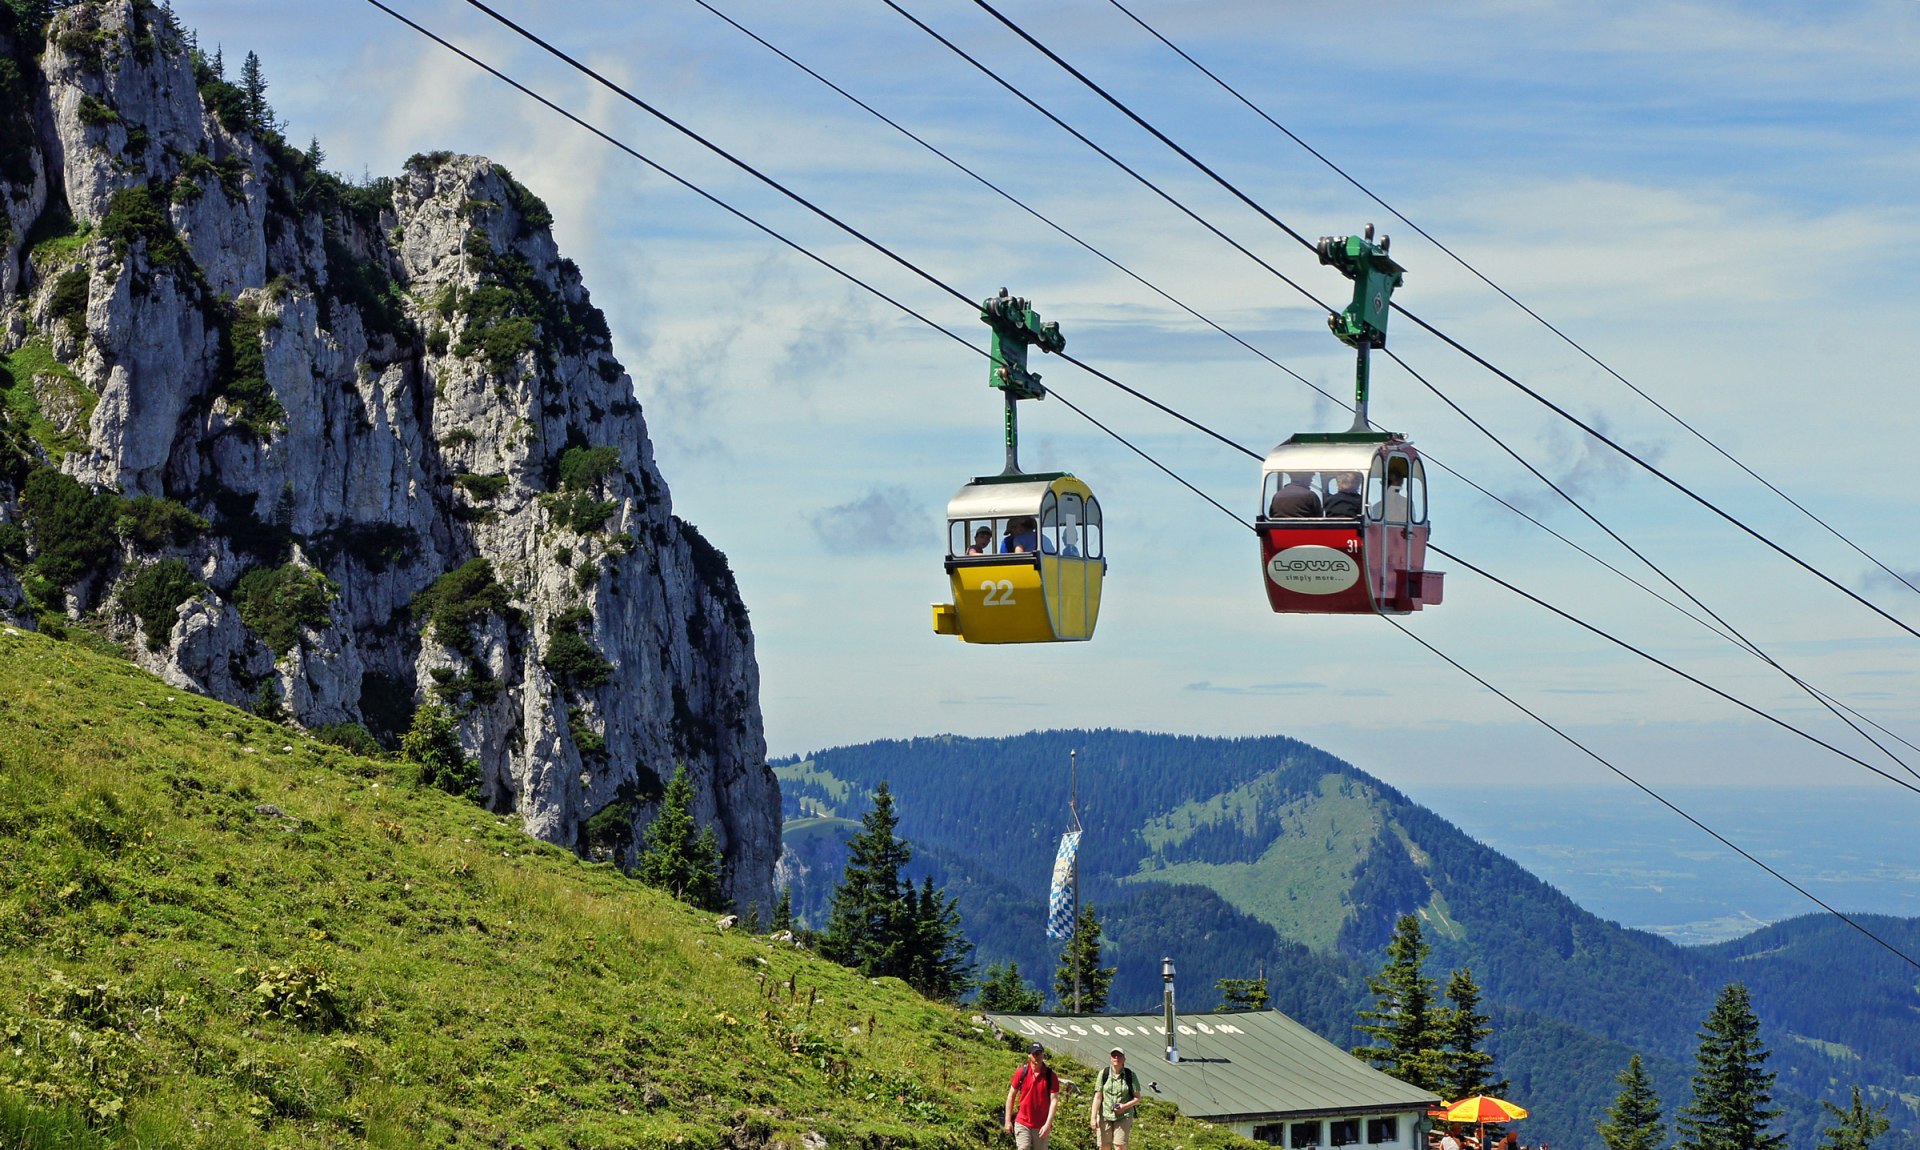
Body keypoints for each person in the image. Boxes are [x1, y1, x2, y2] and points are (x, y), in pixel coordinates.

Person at [1004, 1042, 1060, 1149]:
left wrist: (1048, 1125)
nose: (1037, 1057)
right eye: (1034, 1054)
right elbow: (1011, 1096)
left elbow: (1054, 1101)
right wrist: (1007, 1121)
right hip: (1022, 1122)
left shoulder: (1051, 1076)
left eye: (1039, 1053)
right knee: (1023, 1148)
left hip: (1041, 1125)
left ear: (1043, 1055)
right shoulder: (1021, 1072)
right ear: (1029, 1055)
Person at [1090, 1046, 1142, 1149]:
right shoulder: (1103, 1074)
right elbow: (1098, 1097)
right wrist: (1093, 1117)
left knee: (1120, 1145)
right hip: (1105, 1114)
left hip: (1124, 1115)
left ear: (1124, 1059)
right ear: (1110, 1058)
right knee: (1104, 1146)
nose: (1116, 1058)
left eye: (1119, 1056)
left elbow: (1137, 1098)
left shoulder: (1130, 1075)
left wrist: (1124, 1106)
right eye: (1114, 1056)